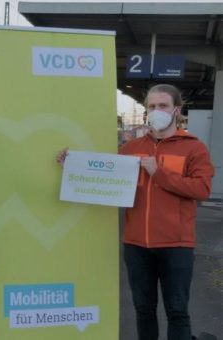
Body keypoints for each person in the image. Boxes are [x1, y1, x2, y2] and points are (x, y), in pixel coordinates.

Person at [57, 84, 214, 340]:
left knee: (177, 311)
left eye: (162, 106)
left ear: (177, 109)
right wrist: (73, 166)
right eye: (151, 106)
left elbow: (202, 189)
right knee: (143, 310)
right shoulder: (131, 148)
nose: (156, 111)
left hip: (177, 244)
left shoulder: (194, 148)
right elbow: (107, 177)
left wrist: (159, 173)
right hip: (136, 244)